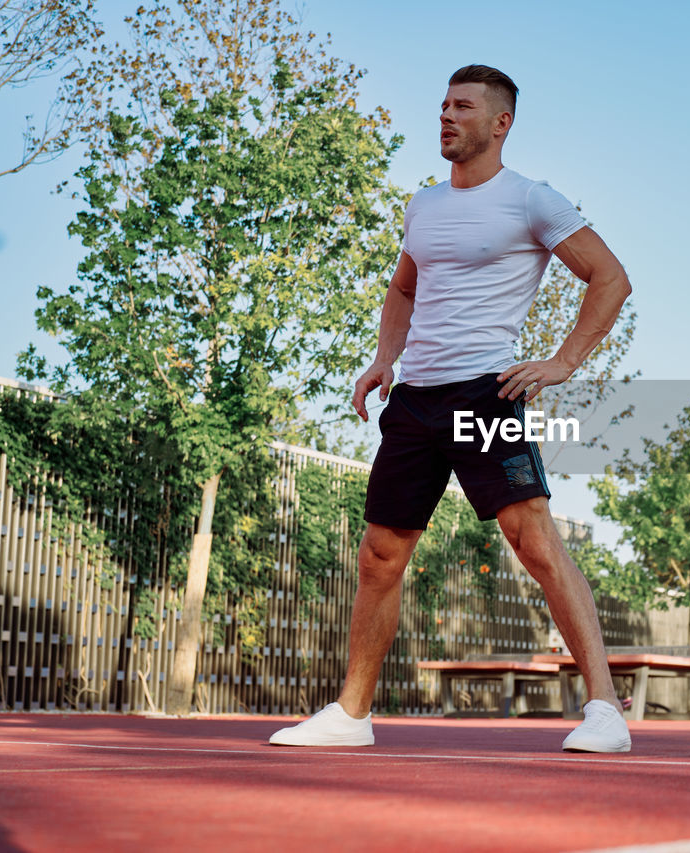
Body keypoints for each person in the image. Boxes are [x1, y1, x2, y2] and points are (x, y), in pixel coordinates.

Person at [270, 65, 633, 752]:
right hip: (415, 401)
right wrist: (384, 357)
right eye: (442, 105)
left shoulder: (532, 200)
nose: (446, 115)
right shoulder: (424, 206)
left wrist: (564, 362)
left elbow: (609, 278)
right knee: (381, 552)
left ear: (501, 123)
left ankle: (605, 710)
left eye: (462, 106)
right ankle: (351, 713)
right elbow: (403, 290)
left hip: (483, 394)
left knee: (534, 543)